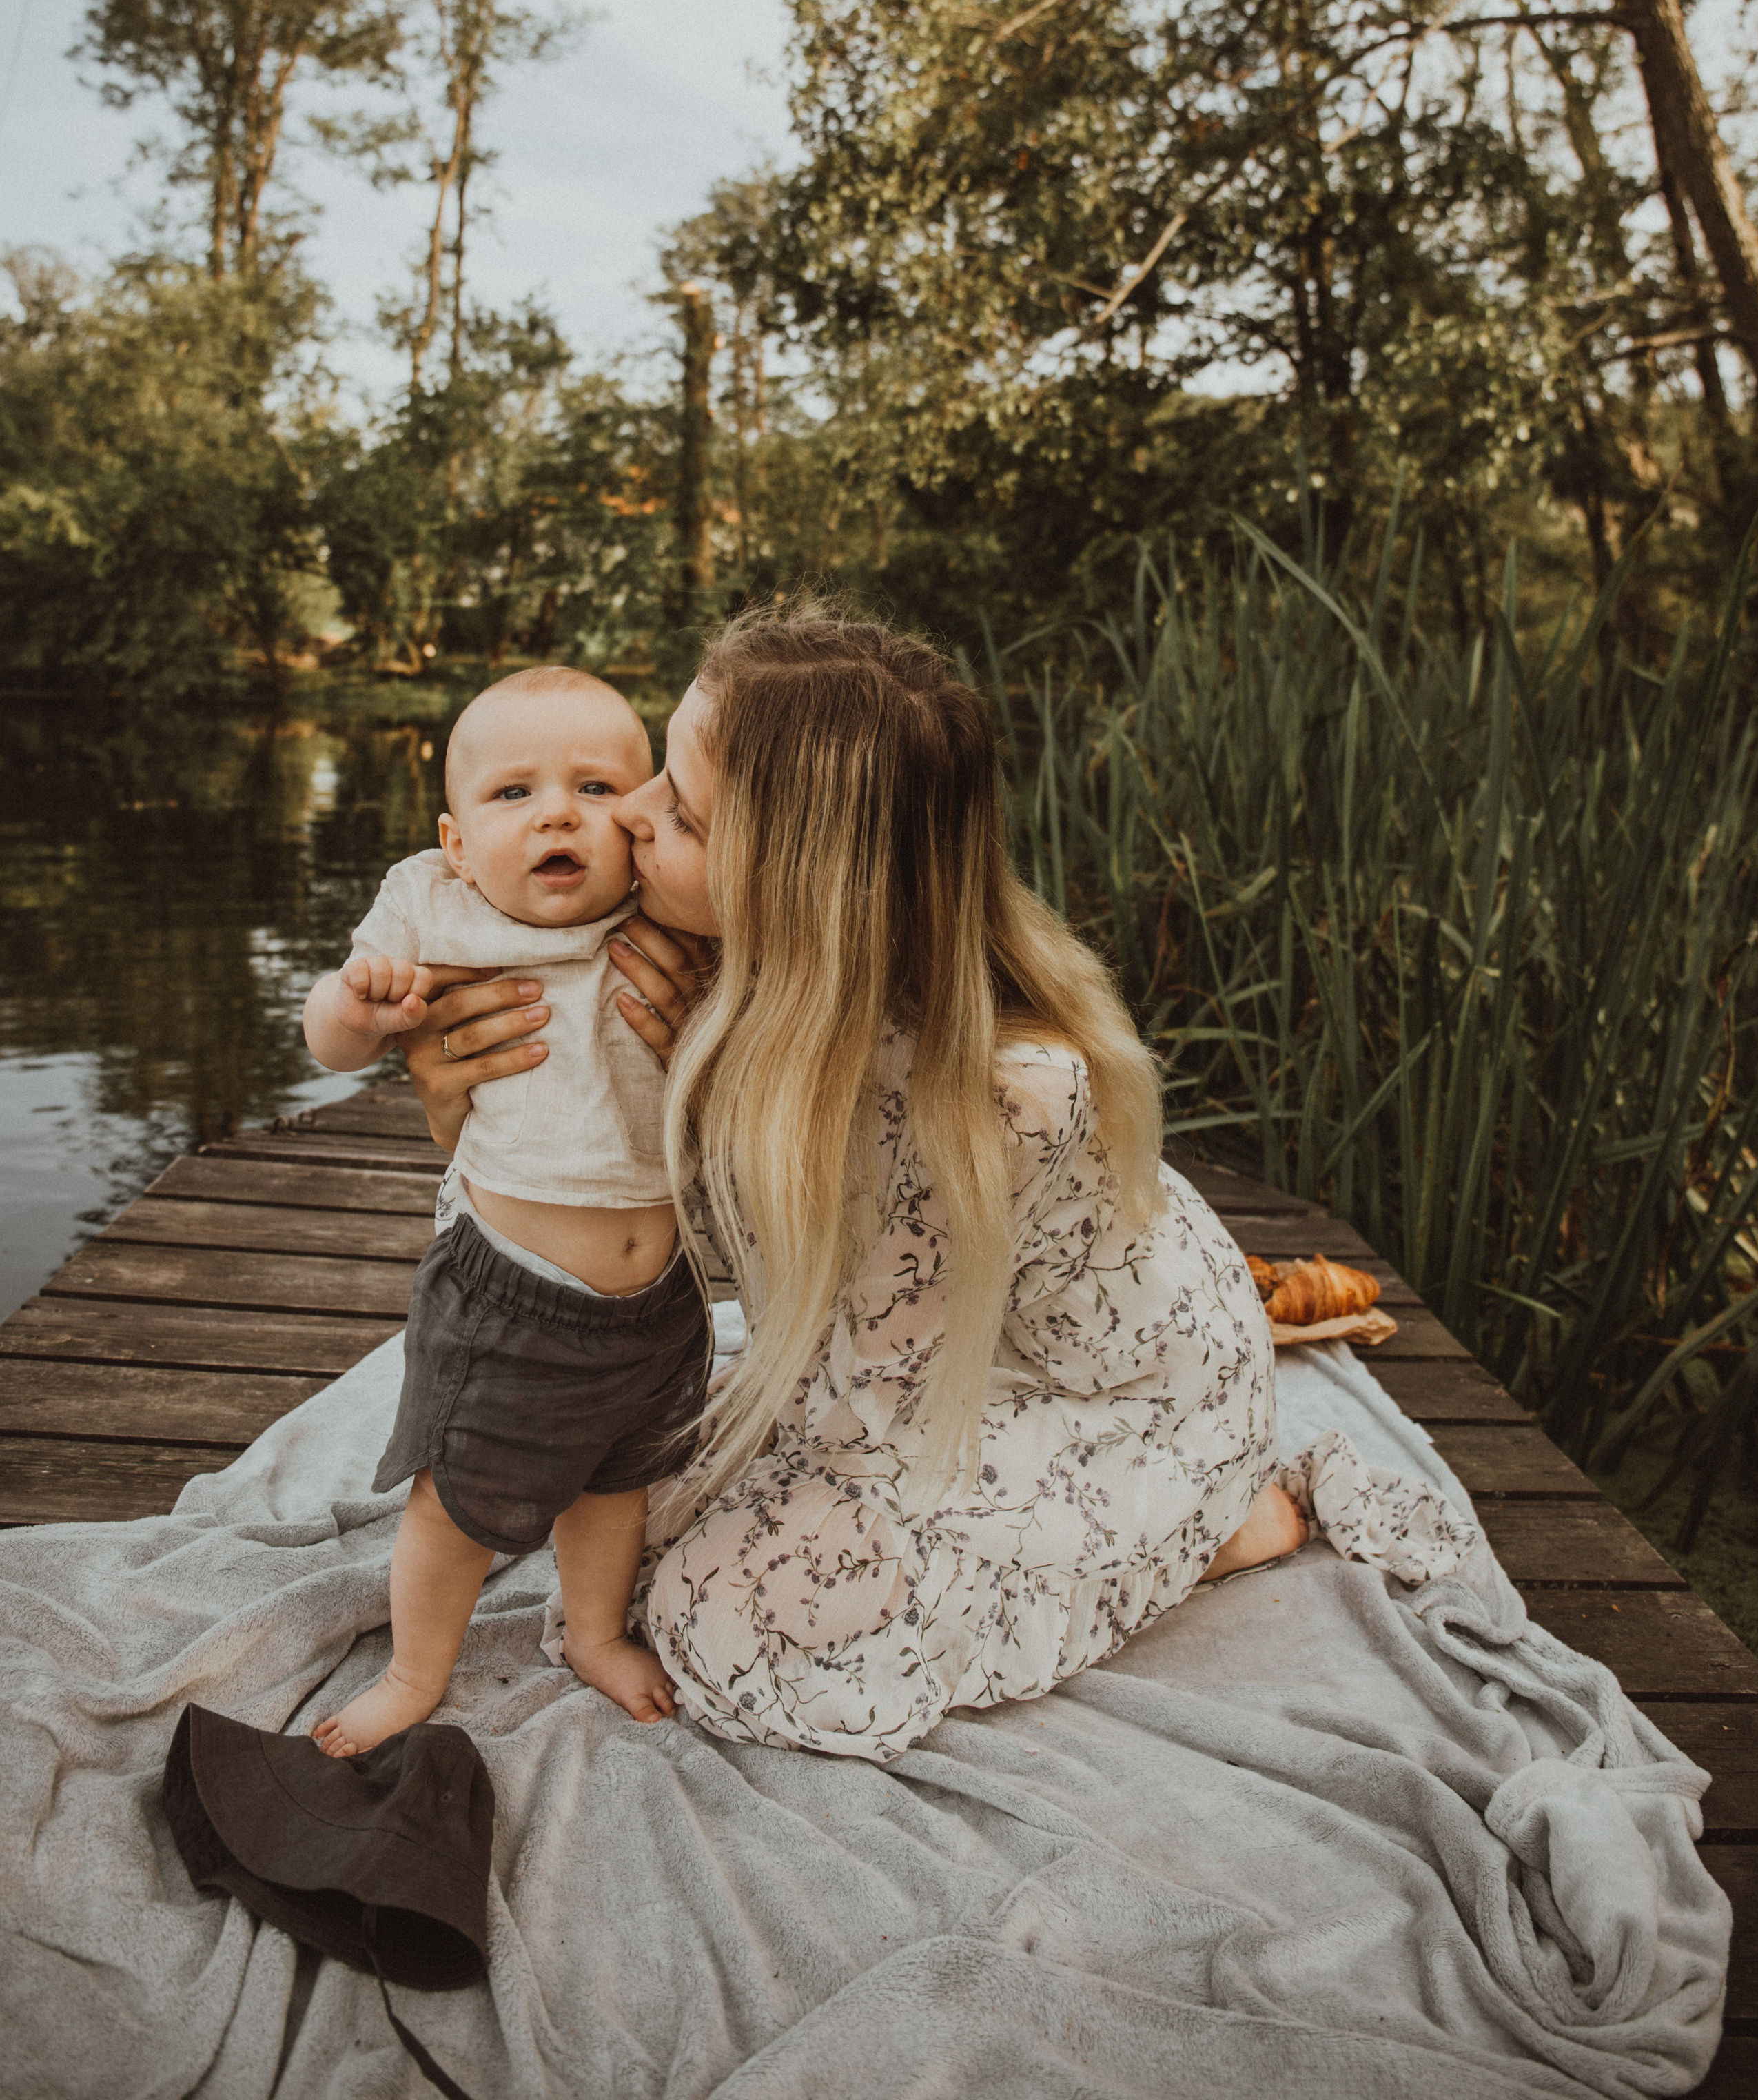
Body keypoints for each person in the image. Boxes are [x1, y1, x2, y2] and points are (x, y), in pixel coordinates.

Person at [398, 611, 1305, 1765]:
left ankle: (1214, 1523)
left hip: (1104, 1390)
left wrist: (708, 1089)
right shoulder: (725, 946)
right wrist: (451, 1093)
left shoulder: (988, 1098)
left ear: (796, 883)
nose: (627, 814)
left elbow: (878, 1416)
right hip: (912, 1339)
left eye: (678, 810)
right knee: (639, 1505)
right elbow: (595, 1186)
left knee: (725, 1623)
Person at [300, 666, 711, 1757]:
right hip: (512, 1295)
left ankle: (588, 1633)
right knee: (459, 1503)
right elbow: (329, 1041)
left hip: (662, 1298)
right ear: (456, 839)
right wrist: (355, 1006)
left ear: (644, 816)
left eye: (594, 786)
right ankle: (415, 1668)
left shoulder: (669, 908)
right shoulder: (436, 909)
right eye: (514, 795)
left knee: (618, 1482)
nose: (558, 813)